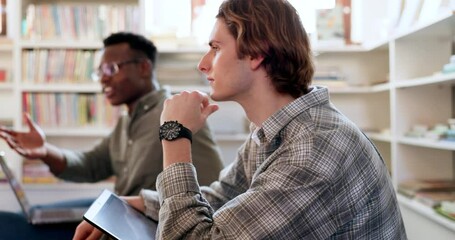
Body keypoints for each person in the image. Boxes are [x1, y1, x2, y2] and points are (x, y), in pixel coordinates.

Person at [75, 0, 407, 239]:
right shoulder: (274, 131)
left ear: (257, 51)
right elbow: (222, 197)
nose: (203, 64)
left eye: (216, 48)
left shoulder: (312, 150)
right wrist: (135, 204)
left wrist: (174, 135)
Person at [0, 32, 224, 240]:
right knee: (30, 216)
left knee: (9, 224)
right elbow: (92, 165)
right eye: (100, 72)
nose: (103, 79)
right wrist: (45, 151)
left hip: (144, 226)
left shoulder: (177, 116)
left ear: (144, 68)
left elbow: (216, 195)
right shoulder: (127, 121)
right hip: (121, 213)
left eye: (111, 69)